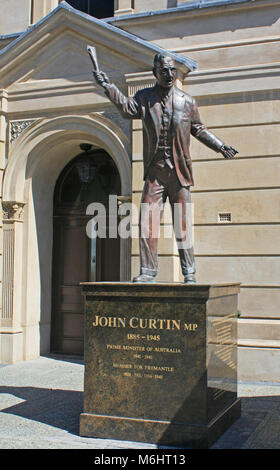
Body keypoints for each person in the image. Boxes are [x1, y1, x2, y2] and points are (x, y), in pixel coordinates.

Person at [92, 53, 238, 283]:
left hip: (180, 173)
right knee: (147, 222)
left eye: (172, 70)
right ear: (155, 73)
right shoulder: (144, 97)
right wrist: (107, 86)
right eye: (164, 71)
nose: (169, 75)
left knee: (182, 225)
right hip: (155, 172)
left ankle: (189, 273)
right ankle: (148, 271)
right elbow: (127, 109)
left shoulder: (187, 101)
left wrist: (220, 146)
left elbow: (199, 129)